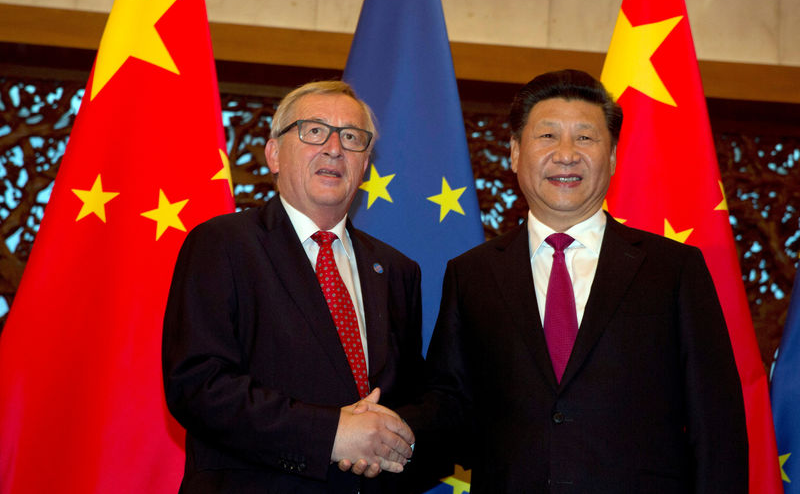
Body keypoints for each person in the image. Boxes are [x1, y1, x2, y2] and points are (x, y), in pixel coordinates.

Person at [400, 69, 748, 493]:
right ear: (513, 152)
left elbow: (716, 421)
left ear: (614, 155)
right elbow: (450, 405)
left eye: (585, 137)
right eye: (547, 136)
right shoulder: (472, 273)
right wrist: (390, 436)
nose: (566, 154)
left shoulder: (673, 268)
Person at [162, 80, 423, 493]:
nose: (334, 149)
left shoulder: (395, 269)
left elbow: (406, 399)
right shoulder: (223, 243)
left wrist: (389, 442)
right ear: (273, 154)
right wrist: (331, 434)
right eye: (314, 131)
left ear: (366, 162)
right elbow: (199, 385)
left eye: (352, 138)